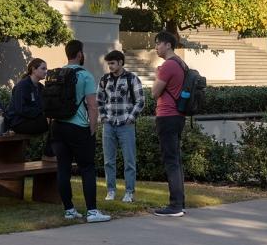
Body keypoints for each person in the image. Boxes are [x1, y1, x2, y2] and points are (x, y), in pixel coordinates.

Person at [50, 39, 111, 223]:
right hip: (78, 128)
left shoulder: (58, 73)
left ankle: (69, 210)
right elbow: (92, 106)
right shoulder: (85, 75)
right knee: (87, 168)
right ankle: (92, 211)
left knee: (63, 169)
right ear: (79, 54)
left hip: (58, 127)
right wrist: (92, 128)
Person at [97, 50, 145, 203]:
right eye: (108, 63)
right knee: (108, 161)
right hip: (109, 124)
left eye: (112, 63)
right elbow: (99, 100)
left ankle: (129, 192)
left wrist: (131, 118)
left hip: (126, 125)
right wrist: (103, 117)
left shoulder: (132, 79)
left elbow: (141, 101)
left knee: (129, 161)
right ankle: (111, 191)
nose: (110, 66)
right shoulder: (104, 80)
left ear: (120, 62)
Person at [151, 30, 186, 217]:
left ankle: (175, 206)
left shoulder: (167, 66)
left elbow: (154, 93)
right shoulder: (181, 63)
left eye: (158, 43)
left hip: (167, 115)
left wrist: (157, 74)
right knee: (176, 160)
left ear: (168, 45)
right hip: (178, 116)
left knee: (170, 161)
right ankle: (180, 202)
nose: (156, 47)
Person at [6, 58, 49, 135]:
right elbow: (21, 109)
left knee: (53, 123)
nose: (45, 72)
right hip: (18, 122)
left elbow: (43, 105)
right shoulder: (23, 85)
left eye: (46, 69)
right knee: (47, 125)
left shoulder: (41, 87)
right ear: (33, 69)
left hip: (32, 120)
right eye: (43, 68)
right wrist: (40, 112)